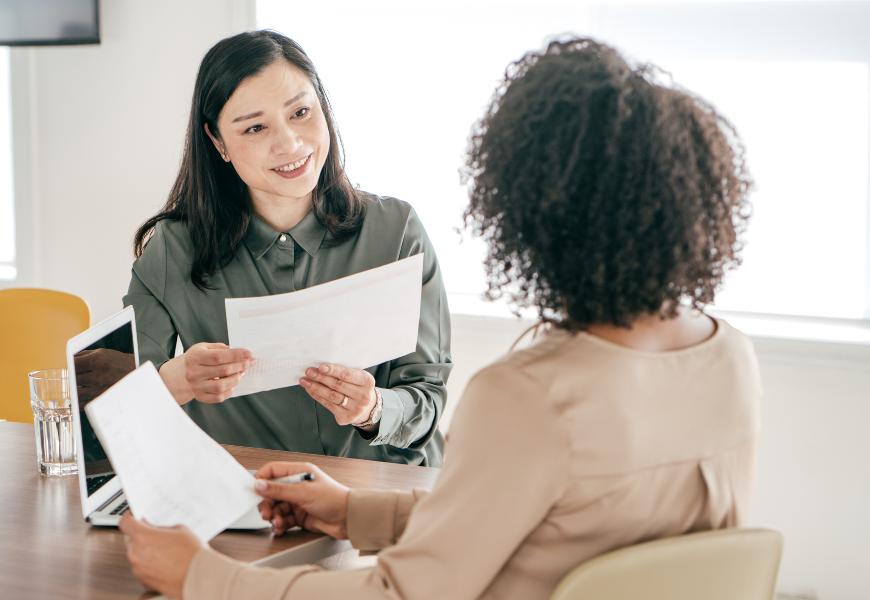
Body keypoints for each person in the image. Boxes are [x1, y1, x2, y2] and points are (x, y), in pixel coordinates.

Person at [118, 38, 760, 600]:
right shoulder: (731, 357)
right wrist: (354, 512)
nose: (287, 140)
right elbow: (546, 523)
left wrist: (200, 578)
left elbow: (404, 591)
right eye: (255, 126)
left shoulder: (525, 396)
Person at [123, 31, 452, 466]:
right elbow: (119, 409)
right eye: (255, 127)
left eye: (301, 112)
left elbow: (427, 396)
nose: (290, 144)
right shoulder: (172, 249)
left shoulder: (396, 231)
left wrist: (372, 409)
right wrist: (177, 380)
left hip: (379, 500)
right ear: (217, 141)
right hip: (250, 506)